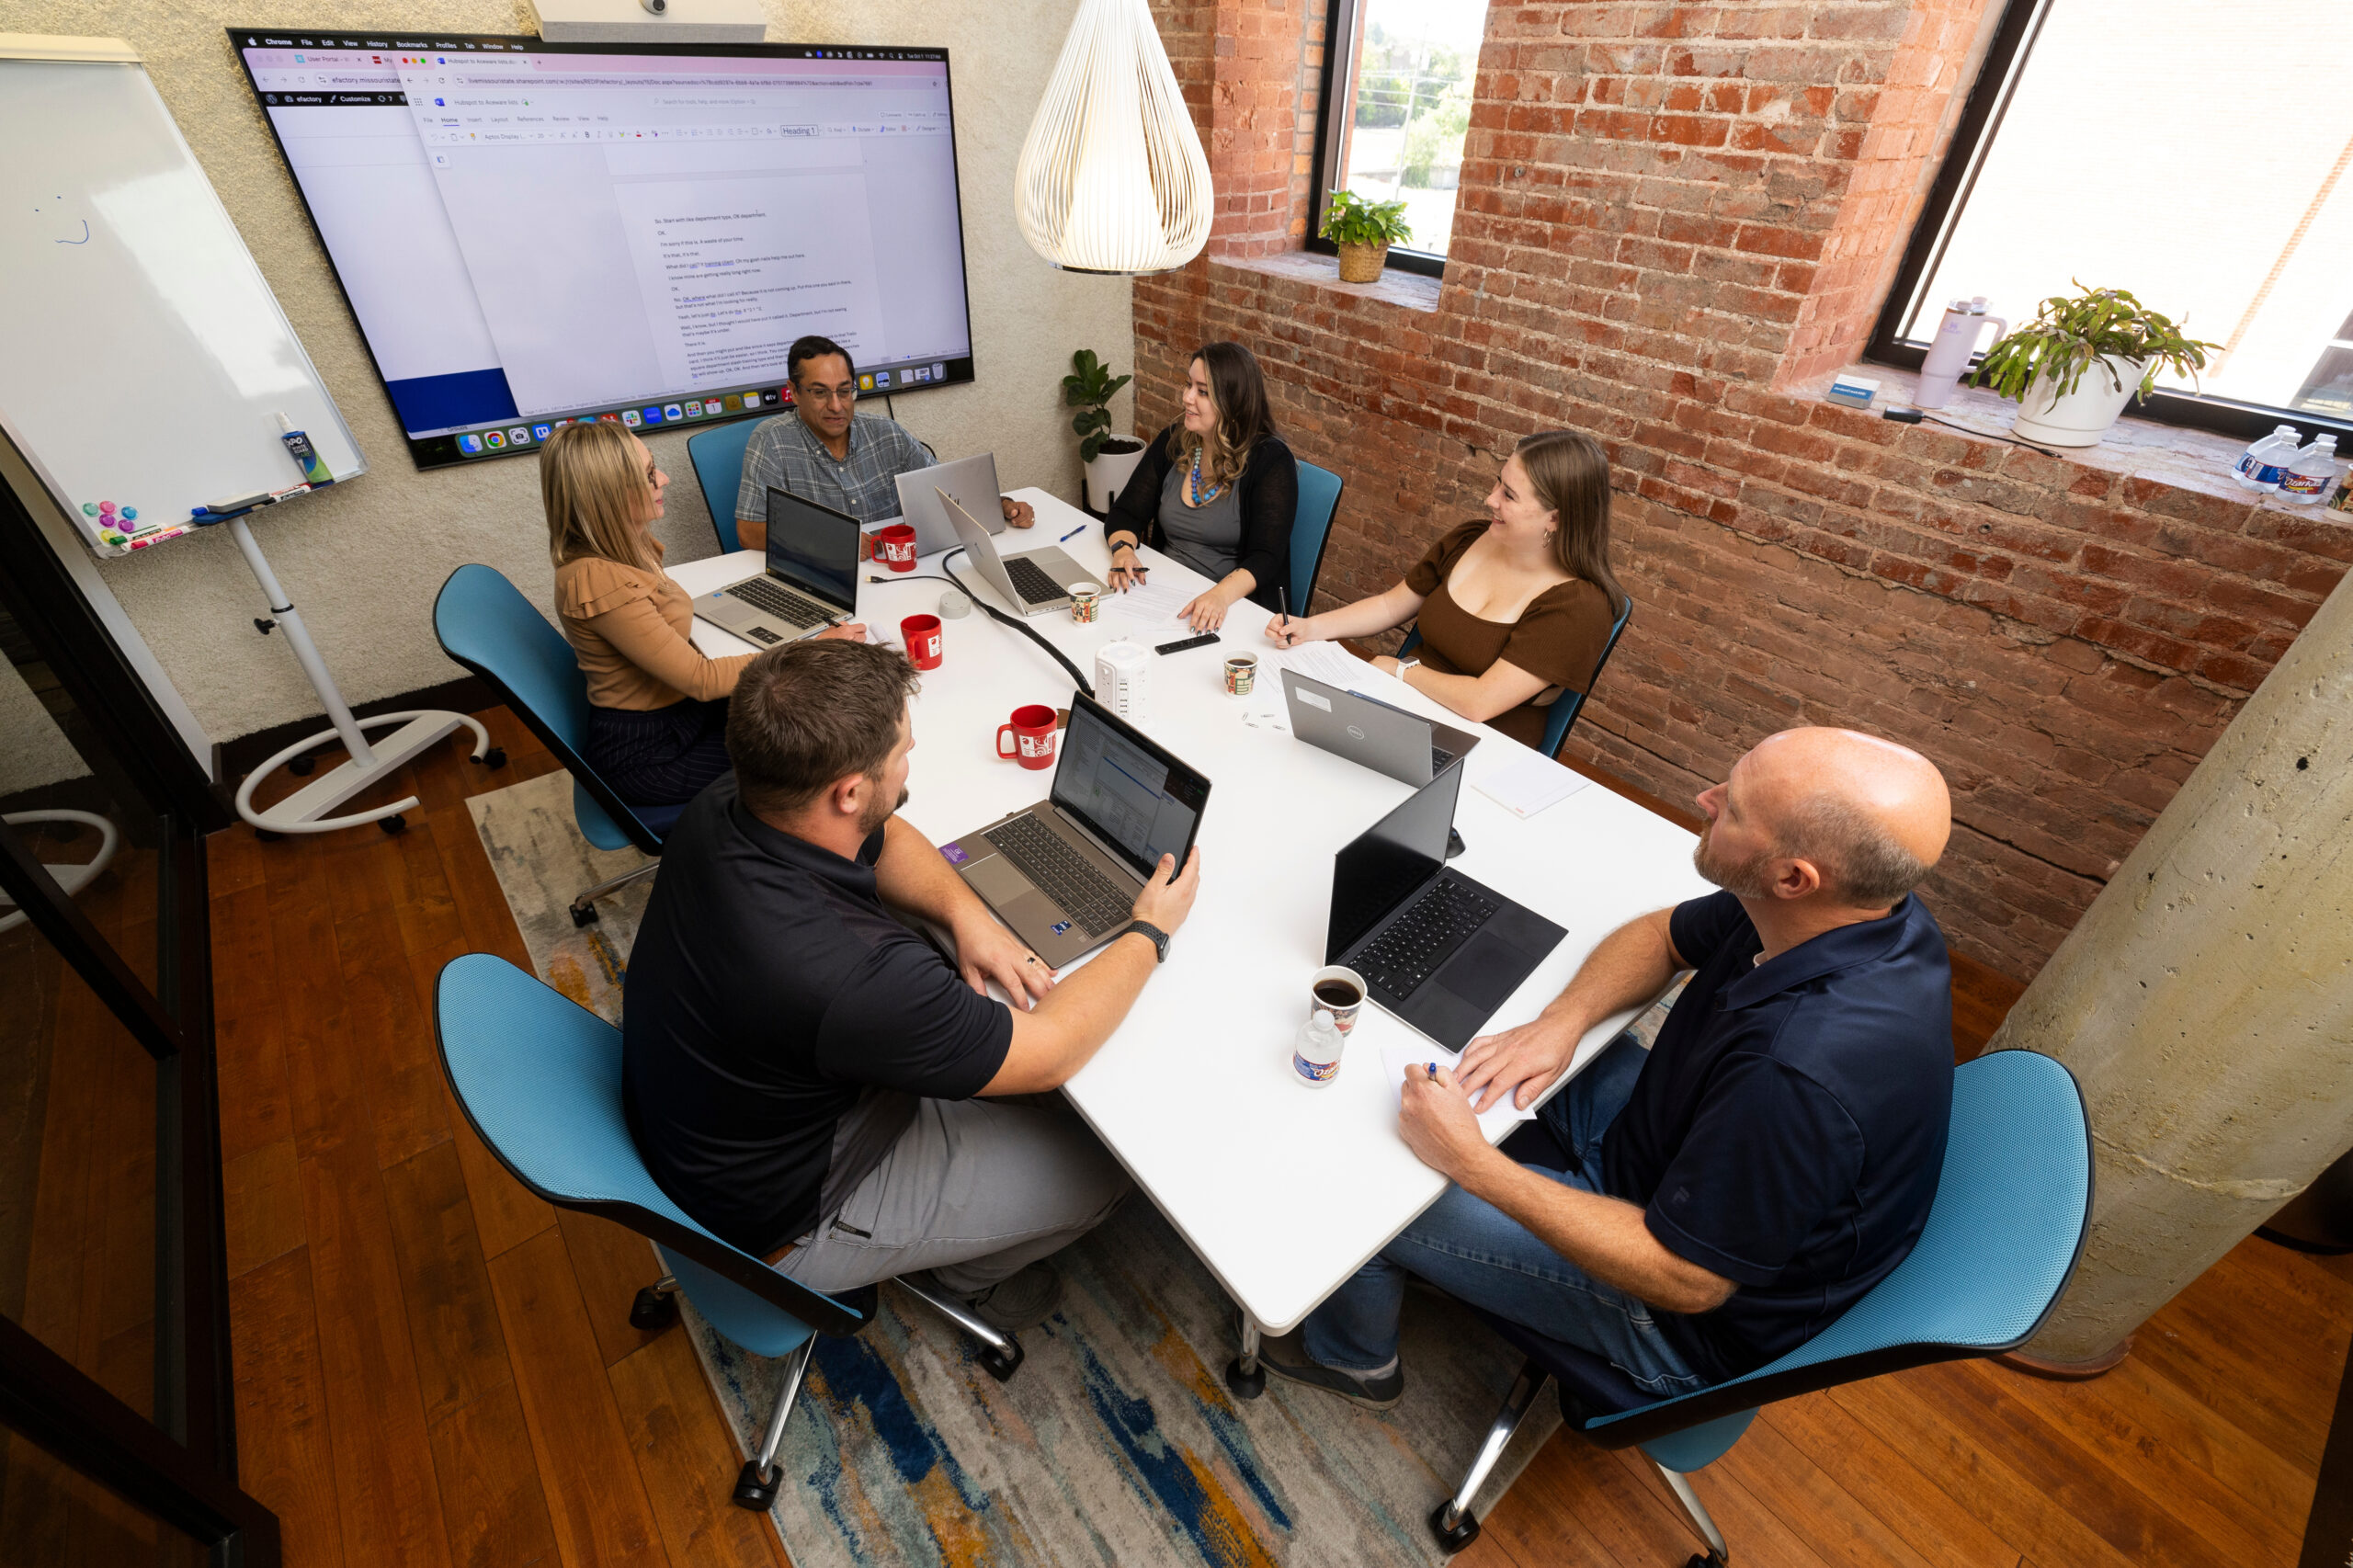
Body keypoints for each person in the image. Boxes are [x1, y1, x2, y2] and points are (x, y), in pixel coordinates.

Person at [1257, 728, 1956, 1408]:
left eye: (1734, 808)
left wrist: (1473, 1163)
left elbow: (1689, 1281)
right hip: (1663, 1155)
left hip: (1682, 1319)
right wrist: (1559, 1026)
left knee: (1364, 1193)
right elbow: (1661, 935)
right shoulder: (1848, 913)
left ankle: (1354, 1360)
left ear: (1793, 877)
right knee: (1503, 1022)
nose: (1705, 797)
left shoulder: (1799, 1074)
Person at [621, 639, 1204, 1330]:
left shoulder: (736, 799)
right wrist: (1148, 931)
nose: (909, 762)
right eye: (902, 753)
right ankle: (966, 1282)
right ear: (848, 792)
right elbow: (1050, 1053)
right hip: (786, 1215)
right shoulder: (855, 973)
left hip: (713, 1122)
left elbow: (884, 834)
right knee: (1104, 1173)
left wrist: (967, 916)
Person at [546, 420, 866, 809]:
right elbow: (700, 679)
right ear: (608, 495)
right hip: (650, 754)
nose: (663, 479)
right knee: (819, 754)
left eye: (654, 466)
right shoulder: (599, 580)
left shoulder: (624, 545)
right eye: (648, 475)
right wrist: (809, 648)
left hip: (679, 713)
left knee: (808, 712)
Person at [1266, 429, 1624, 752]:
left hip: (1476, 749)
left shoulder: (1579, 606)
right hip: (1400, 708)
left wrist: (1402, 670)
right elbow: (1392, 606)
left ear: (1556, 519)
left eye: (1509, 495)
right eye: (1497, 483)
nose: (1490, 499)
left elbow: (1480, 703)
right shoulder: (1472, 537)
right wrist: (1310, 627)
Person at [733, 335, 1035, 551]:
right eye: (820, 392)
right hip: (826, 578)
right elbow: (750, 532)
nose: (837, 406)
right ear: (794, 392)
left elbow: (946, 494)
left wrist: (1002, 506)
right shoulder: (771, 441)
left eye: (845, 390)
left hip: (897, 568)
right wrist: (832, 540)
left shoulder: (887, 434)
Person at [1104, 341, 1300, 631]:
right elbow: (1127, 512)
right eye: (1188, 385)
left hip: (1230, 606)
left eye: (1202, 391)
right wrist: (1123, 551)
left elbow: (1266, 557)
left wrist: (1219, 595)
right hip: (1165, 595)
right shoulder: (1175, 440)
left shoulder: (1271, 460)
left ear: (1234, 402)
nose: (1187, 397)